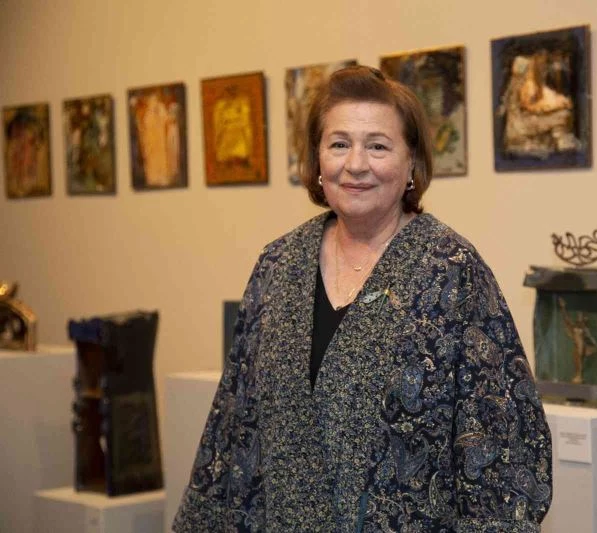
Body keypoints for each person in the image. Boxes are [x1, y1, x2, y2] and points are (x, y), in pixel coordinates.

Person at [174, 66, 552, 532]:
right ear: (317, 159)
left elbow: (501, 444)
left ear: (411, 163)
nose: (355, 164)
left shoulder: (451, 271)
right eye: (339, 144)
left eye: (378, 146)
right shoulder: (277, 265)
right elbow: (233, 428)